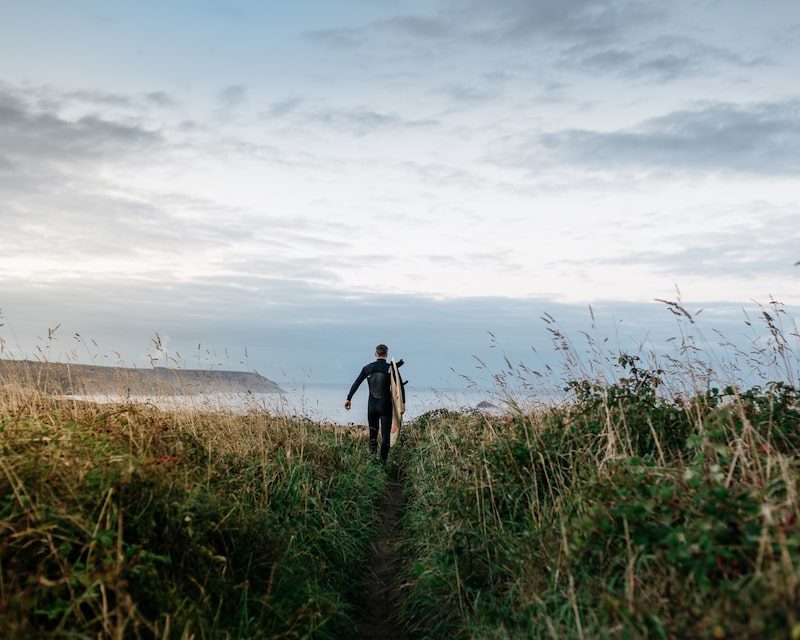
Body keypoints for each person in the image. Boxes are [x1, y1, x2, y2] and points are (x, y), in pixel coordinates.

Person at [345, 344, 393, 463]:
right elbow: (399, 388)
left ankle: (373, 463)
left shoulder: (368, 368)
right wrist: (402, 404)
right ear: (386, 354)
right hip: (386, 406)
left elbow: (357, 383)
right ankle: (382, 463)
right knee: (386, 438)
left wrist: (348, 398)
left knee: (373, 435)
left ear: (375, 354)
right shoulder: (391, 368)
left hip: (372, 406)